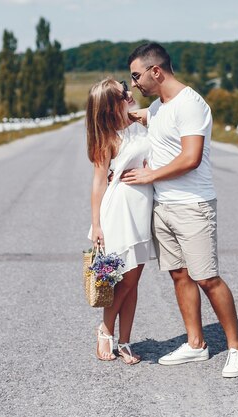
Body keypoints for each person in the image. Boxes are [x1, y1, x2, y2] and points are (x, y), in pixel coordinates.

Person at [122, 43, 238, 378]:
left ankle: (237, 348)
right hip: (163, 207)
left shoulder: (191, 105)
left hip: (193, 207)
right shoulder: (160, 107)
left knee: (207, 277)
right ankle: (196, 344)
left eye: (136, 76)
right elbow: (146, 118)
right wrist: (124, 110)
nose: (134, 83)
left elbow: (191, 158)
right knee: (179, 274)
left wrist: (149, 174)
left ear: (156, 71)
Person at [86, 77, 154, 365]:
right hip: (118, 214)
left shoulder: (142, 124)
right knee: (120, 282)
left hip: (141, 211)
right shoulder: (108, 139)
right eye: (122, 93)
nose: (129, 93)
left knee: (134, 281)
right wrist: (97, 225)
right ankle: (105, 331)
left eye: (126, 88)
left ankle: (125, 341)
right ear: (110, 106)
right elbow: (99, 184)